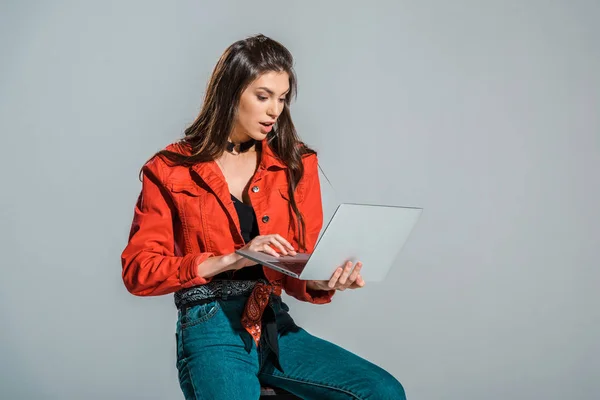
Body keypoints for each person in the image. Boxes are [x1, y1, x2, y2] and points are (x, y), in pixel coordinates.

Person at [121, 34, 407, 400]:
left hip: (274, 321)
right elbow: (138, 270)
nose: (275, 110)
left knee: (382, 392)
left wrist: (325, 280)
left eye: (282, 98)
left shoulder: (296, 164)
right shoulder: (170, 169)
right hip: (209, 323)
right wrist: (230, 258)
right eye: (263, 96)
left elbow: (297, 264)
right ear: (231, 93)